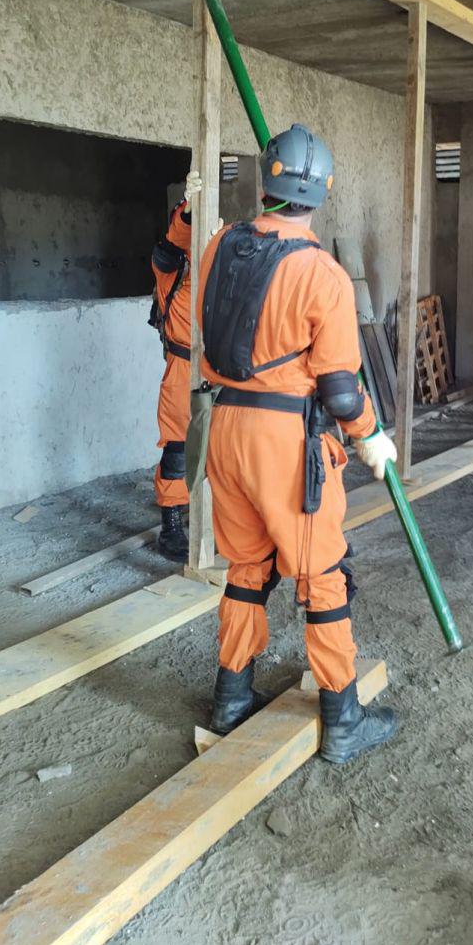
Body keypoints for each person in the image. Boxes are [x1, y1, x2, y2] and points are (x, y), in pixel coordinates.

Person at [196, 124, 398, 764]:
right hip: (284, 441)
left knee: (247, 566)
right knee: (322, 576)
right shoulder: (324, 275)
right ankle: (343, 723)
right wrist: (371, 438)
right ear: (323, 194)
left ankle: (231, 699)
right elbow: (341, 392)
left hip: (224, 427)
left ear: (265, 182)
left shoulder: (218, 247)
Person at [149, 170, 202, 561]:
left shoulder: (209, 262)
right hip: (182, 370)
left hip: (213, 371)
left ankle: (210, 513)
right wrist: (188, 209)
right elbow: (174, 240)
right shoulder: (170, 266)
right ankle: (170, 524)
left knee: (218, 447)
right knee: (178, 451)